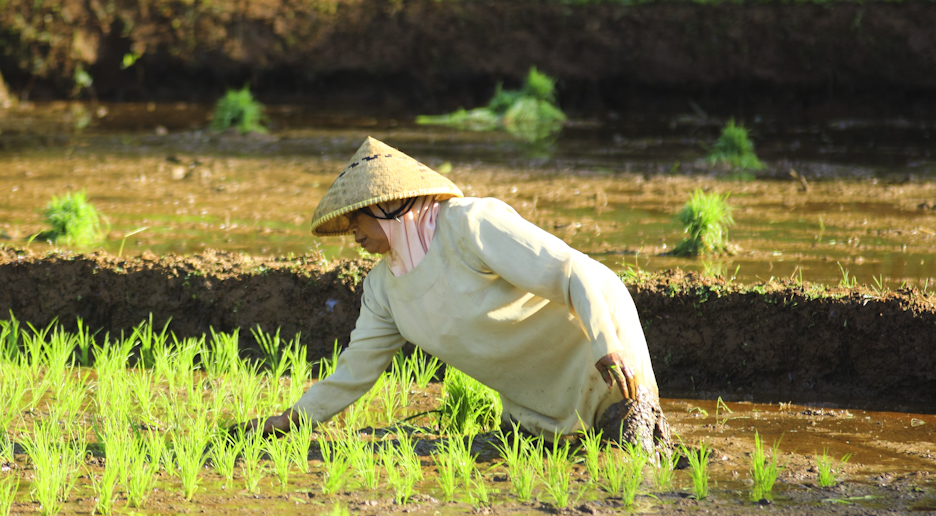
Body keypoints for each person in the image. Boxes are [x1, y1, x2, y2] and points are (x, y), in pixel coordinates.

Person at [256, 137, 672, 452]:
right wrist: (293, 419)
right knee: (543, 463)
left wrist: (608, 344)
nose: (351, 232)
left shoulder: (470, 224)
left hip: (595, 342)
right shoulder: (383, 289)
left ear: (388, 205)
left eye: (355, 219)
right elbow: (355, 369)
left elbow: (573, 271)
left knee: (630, 458)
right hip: (533, 394)